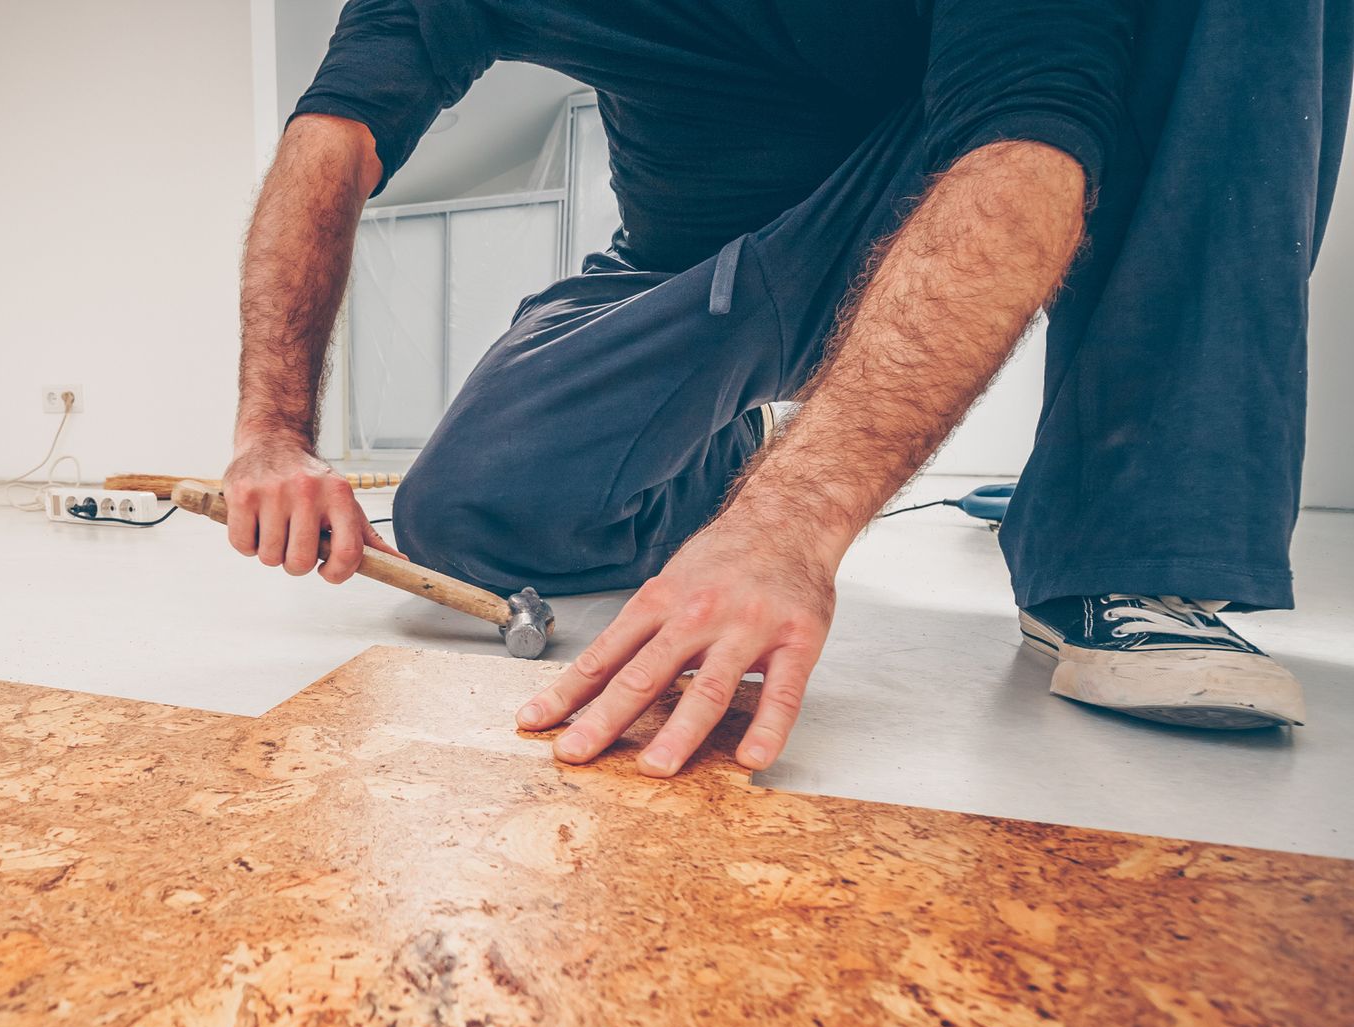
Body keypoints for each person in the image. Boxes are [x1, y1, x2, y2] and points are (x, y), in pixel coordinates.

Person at [220, 0, 1350, 775]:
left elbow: (1030, 139)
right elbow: (333, 136)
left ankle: (1125, 551)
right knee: (467, 508)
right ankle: (725, 456)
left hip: (930, 195)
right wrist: (272, 428)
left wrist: (794, 523)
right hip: (695, 266)